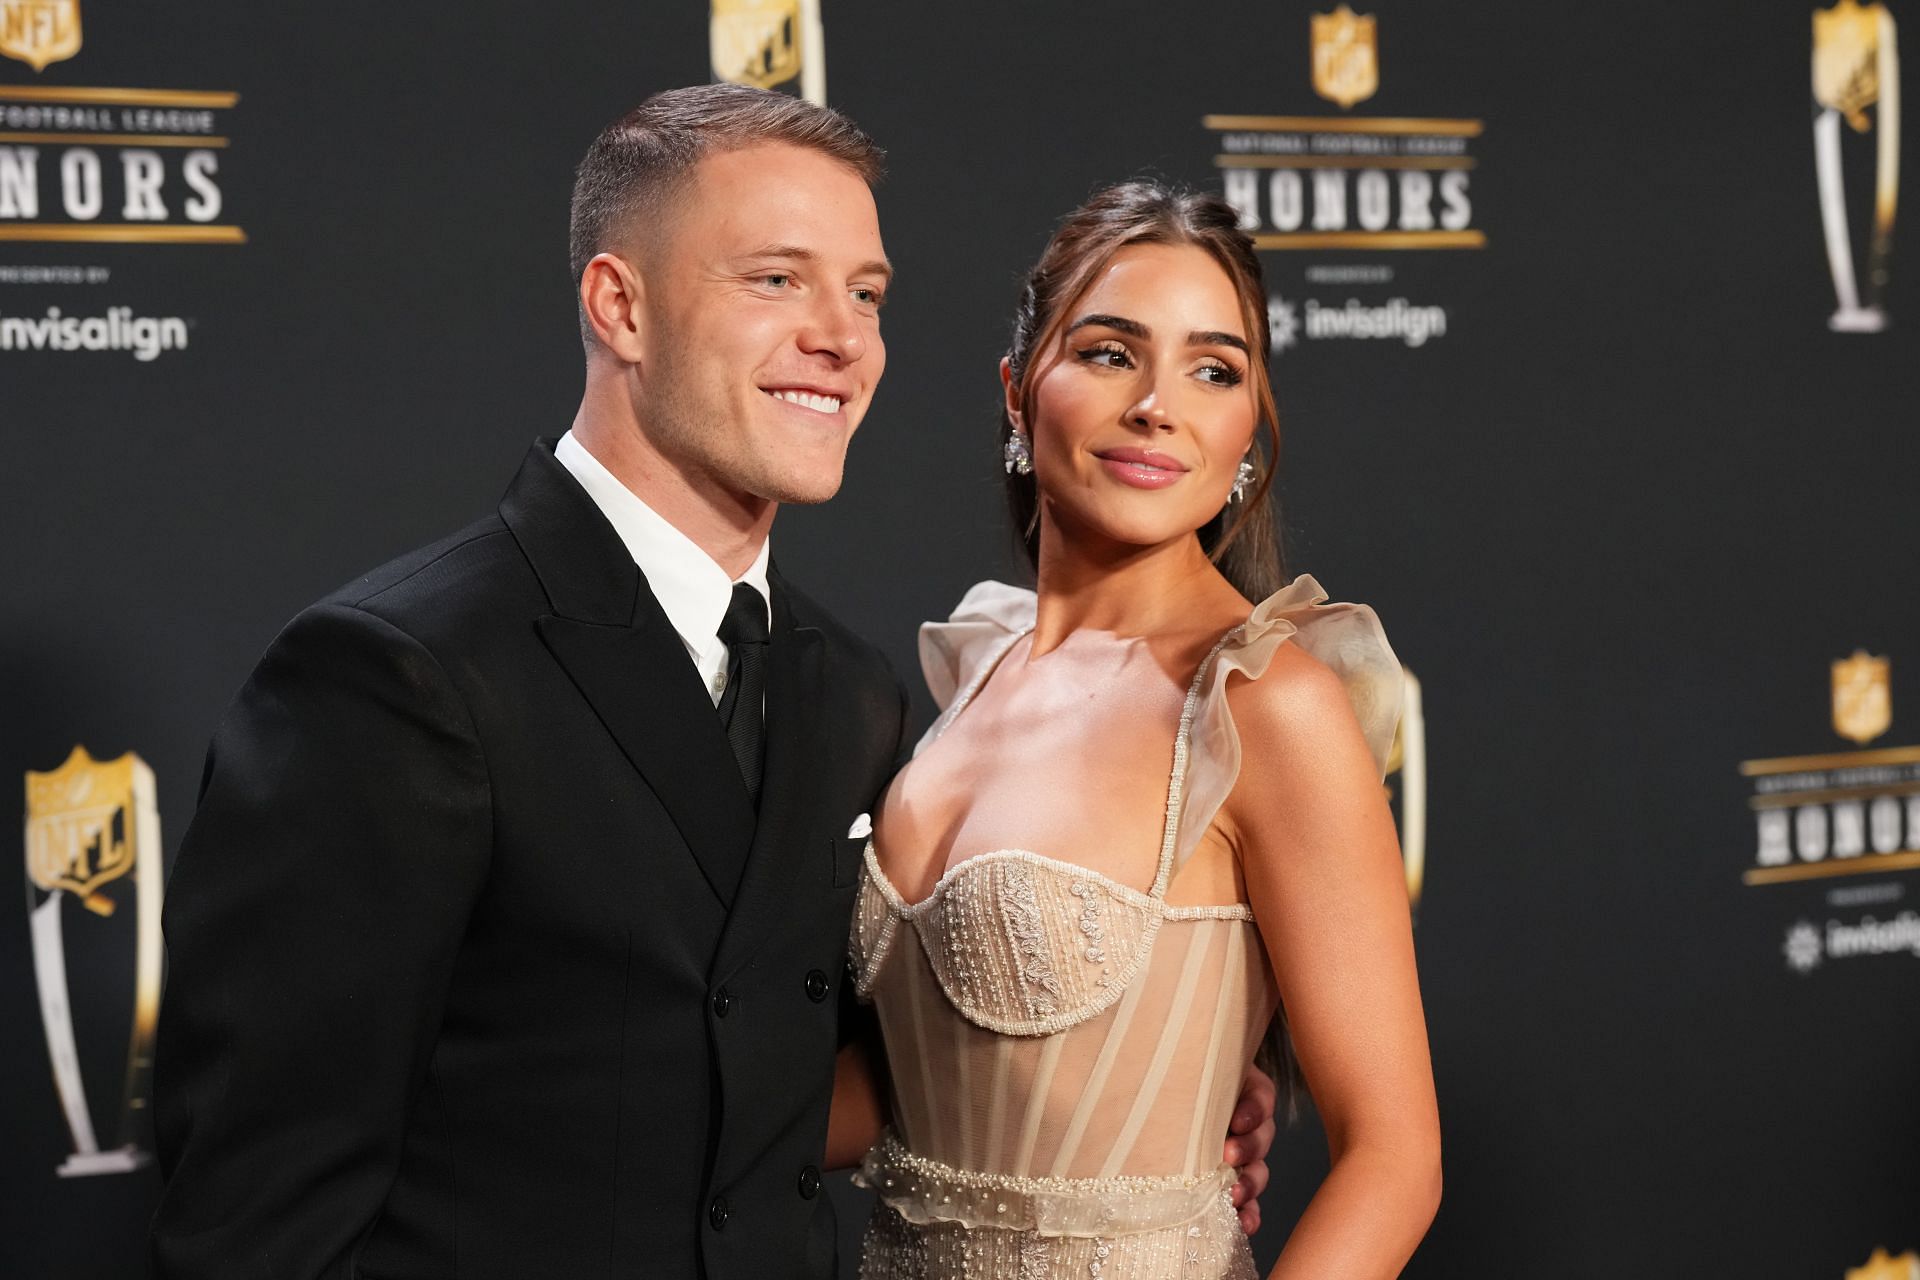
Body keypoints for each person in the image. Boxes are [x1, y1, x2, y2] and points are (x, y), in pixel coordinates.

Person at [150, 87, 1273, 1280]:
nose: (841, 336)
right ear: (619, 305)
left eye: (868, 294)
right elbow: (258, 1223)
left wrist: (1141, 1070)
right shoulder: (397, 673)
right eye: (776, 279)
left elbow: (810, 1073)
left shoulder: (851, 694)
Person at [840, 182, 1442, 1278]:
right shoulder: (975, 671)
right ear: (1020, 393)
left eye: (1214, 369)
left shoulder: (1268, 703)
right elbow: (882, 1093)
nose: (1160, 403)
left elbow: (1395, 1155)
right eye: (1113, 353)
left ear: (1247, 430)